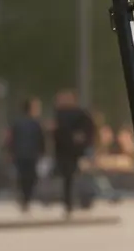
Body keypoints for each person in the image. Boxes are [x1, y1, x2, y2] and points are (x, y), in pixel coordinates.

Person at [52, 89, 96, 218]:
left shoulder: (79, 114)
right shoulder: (59, 113)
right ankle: (69, 203)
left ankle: (78, 201)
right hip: (64, 151)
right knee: (68, 178)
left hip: (74, 151)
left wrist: (81, 138)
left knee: (73, 177)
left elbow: (88, 128)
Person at [6, 98, 46, 213]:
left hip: (22, 154)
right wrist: (42, 152)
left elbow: (11, 140)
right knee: (29, 177)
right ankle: (26, 198)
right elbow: (41, 140)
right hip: (29, 154)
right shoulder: (35, 123)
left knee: (24, 177)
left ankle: (25, 198)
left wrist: (10, 152)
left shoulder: (18, 123)